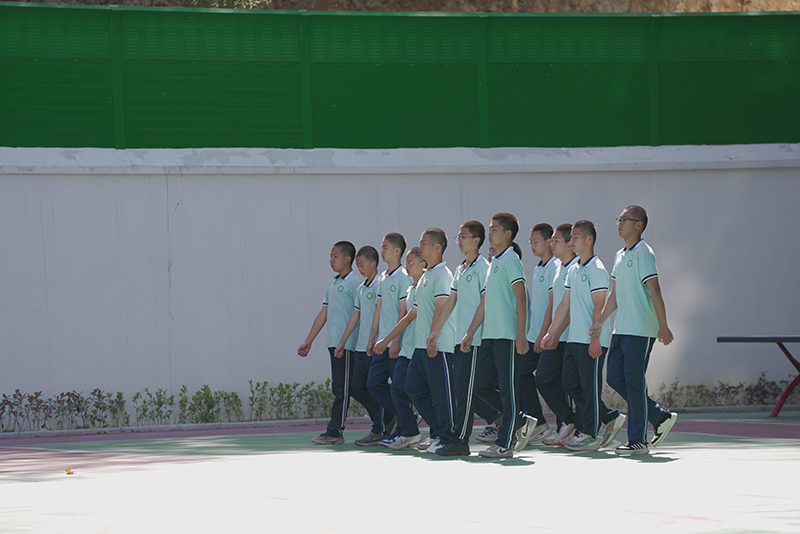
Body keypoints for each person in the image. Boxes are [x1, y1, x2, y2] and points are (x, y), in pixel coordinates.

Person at [590, 205, 677, 456]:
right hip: (621, 329)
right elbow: (614, 294)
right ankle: (659, 417)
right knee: (614, 378)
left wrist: (663, 326)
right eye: (618, 219)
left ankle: (638, 440)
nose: (619, 223)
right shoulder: (620, 255)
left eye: (624, 220)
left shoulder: (644, 254)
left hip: (641, 330)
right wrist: (601, 322)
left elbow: (655, 290)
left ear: (638, 225)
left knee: (634, 383)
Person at [541, 221, 626, 452]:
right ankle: (607, 418)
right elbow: (564, 304)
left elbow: (600, 306)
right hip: (574, 339)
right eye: (571, 237)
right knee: (569, 384)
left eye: (576, 237)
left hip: (591, 340)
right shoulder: (574, 269)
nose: (572, 241)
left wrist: (595, 339)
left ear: (589, 240)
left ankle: (589, 434)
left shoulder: (597, 269)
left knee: (589, 389)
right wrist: (551, 333)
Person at [461, 213, 537, 459]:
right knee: (480, 386)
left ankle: (506, 443)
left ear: (507, 234)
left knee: (508, 390)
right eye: (490, 228)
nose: (490, 233)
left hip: (507, 336)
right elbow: (485, 302)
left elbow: (521, 298)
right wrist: (470, 332)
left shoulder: (511, 260)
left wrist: (521, 335)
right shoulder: (495, 262)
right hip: (489, 337)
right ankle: (519, 421)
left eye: (494, 229)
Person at [426, 221, 502, 456]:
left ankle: (460, 441)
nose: (459, 241)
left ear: (476, 240)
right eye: (458, 237)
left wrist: (470, 332)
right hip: (461, 340)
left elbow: (485, 302)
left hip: (476, 340)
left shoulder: (483, 267)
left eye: (463, 237)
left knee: (468, 392)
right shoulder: (461, 269)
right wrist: (435, 330)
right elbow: (451, 302)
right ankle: (513, 420)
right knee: (463, 391)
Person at [297, 241, 362, 445]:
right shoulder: (333, 283)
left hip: (347, 345)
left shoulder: (355, 284)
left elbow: (362, 313)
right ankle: (388, 418)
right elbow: (323, 313)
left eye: (335, 256)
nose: (331, 260)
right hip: (334, 343)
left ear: (347, 259)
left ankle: (335, 432)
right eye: (330, 256)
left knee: (342, 389)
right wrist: (309, 340)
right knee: (351, 388)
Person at [334, 246, 392, 446]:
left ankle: (380, 428)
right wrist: (342, 342)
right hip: (360, 347)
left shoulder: (380, 285)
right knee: (357, 386)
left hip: (374, 346)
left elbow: (380, 313)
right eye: (357, 265)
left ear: (373, 264)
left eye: (362, 265)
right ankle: (391, 415)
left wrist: (373, 339)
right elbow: (355, 316)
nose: (359, 269)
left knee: (375, 387)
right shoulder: (361, 288)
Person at [374, 247, 426, 449]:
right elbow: (404, 316)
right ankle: (410, 432)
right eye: (406, 262)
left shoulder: (425, 286)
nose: (407, 266)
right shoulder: (411, 289)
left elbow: (408, 318)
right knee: (398, 388)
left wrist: (388, 340)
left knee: (417, 392)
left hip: (420, 348)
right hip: (407, 348)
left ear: (423, 265)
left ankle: (439, 434)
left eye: (410, 262)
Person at [537, 224, 580, 446]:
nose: (551, 244)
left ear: (570, 244)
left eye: (556, 241)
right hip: (556, 337)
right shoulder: (558, 269)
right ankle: (568, 421)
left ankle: (583, 427)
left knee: (570, 385)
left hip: (571, 338)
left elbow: (573, 307)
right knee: (543, 379)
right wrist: (549, 333)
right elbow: (556, 305)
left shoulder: (577, 267)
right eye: (551, 240)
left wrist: (556, 332)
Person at [366, 233, 410, 442]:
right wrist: (372, 338)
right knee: (373, 384)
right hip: (381, 343)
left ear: (397, 251)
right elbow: (379, 309)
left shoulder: (404, 276)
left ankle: (404, 429)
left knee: (398, 388)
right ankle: (407, 417)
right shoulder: (383, 277)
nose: (381, 251)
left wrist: (395, 341)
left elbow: (403, 311)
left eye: (385, 247)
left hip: (394, 344)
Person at [520, 223, 557, 444]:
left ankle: (567, 424)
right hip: (534, 336)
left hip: (548, 336)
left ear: (549, 242)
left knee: (551, 380)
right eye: (530, 242)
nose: (532, 246)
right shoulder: (537, 269)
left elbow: (552, 306)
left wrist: (544, 334)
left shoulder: (555, 267)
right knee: (521, 374)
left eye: (536, 242)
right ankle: (539, 423)